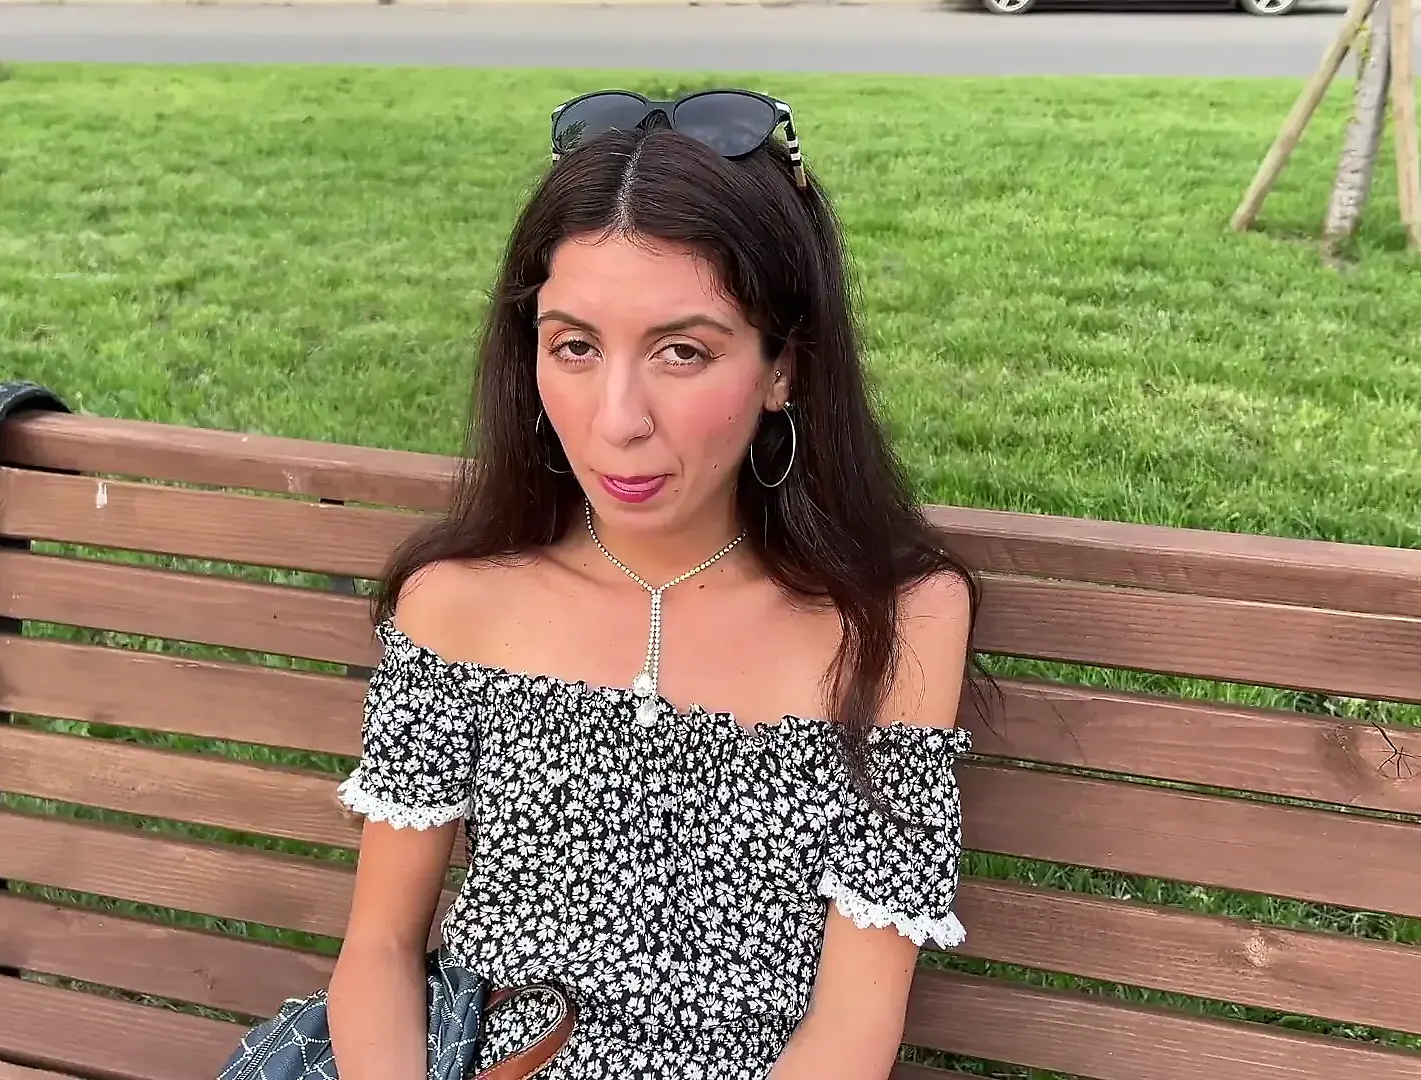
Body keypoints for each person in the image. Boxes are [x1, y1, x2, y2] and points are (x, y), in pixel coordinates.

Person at [324, 88, 981, 1080]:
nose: (617, 419)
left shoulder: (896, 624)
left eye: (684, 352)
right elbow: (378, 948)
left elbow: (854, 1023)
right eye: (575, 347)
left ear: (784, 368)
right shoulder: (456, 604)